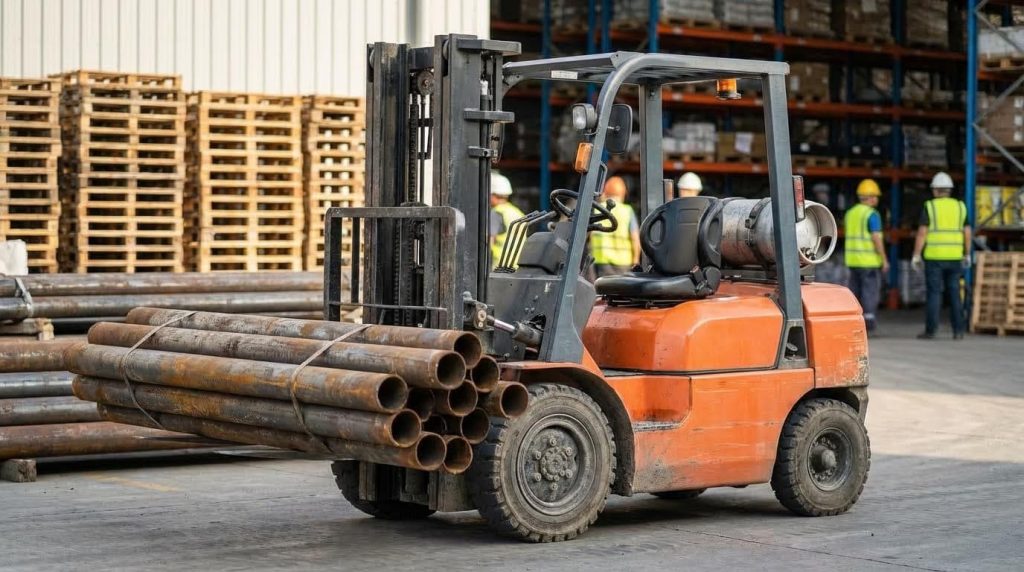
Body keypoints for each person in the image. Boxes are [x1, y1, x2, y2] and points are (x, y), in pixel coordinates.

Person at [911, 172, 971, 340]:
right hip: (955, 257)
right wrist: (967, 253)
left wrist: (916, 255)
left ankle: (931, 330)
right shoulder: (960, 207)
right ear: (950, 190)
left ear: (935, 190)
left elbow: (922, 233)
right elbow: (967, 232)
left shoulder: (930, 206)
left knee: (934, 293)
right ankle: (958, 331)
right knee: (954, 293)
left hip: (934, 258)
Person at [844, 179, 889, 335]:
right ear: (870, 197)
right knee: (870, 292)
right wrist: (884, 259)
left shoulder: (851, 213)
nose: (877, 199)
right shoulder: (872, 215)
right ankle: (868, 324)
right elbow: (876, 238)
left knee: (854, 292)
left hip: (853, 261)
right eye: (876, 196)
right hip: (869, 262)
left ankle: (851, 322)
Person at [590, 176, 641, 278]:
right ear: (623, 193)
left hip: (601, 262)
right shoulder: (627, 211)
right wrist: (636, 261)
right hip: (624, 263)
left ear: (605, 191)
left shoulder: (597, 210)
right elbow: (635, 238)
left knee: (602, 291)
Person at [489, 172, 525, 268]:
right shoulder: (516, 212)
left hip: (500, 266)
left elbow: (488, 242)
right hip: (518, 264)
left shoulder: (496, 213)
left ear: (493, 194)